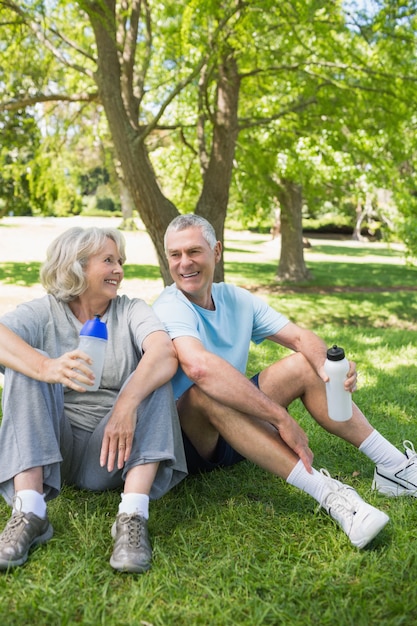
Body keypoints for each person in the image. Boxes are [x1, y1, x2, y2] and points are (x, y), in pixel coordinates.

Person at [153, 213, 417, 549]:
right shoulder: (169, 306)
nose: (184, 263)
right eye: (175, 255)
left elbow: (298, 336)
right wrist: (279, 417)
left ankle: (395, 467)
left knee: (306, 365)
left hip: (239, 431)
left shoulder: (235, 298)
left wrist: (330, 368)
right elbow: (199, 368)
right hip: (189, 442)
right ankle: (332, 494)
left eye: (194, 252)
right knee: (204, 392)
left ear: (216, 251)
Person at [0, 226, 187, 573]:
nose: (119, 269)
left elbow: (164, 352)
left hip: (114, 451)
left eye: (120, 261)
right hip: (52, 452)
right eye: (108, 261)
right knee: (25, 365)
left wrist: (127, 402)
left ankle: (132, 516)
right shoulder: (45, 312)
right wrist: (45, 365)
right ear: (77, 266)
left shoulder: (130, 310)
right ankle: (31, 511)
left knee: (153, 377)